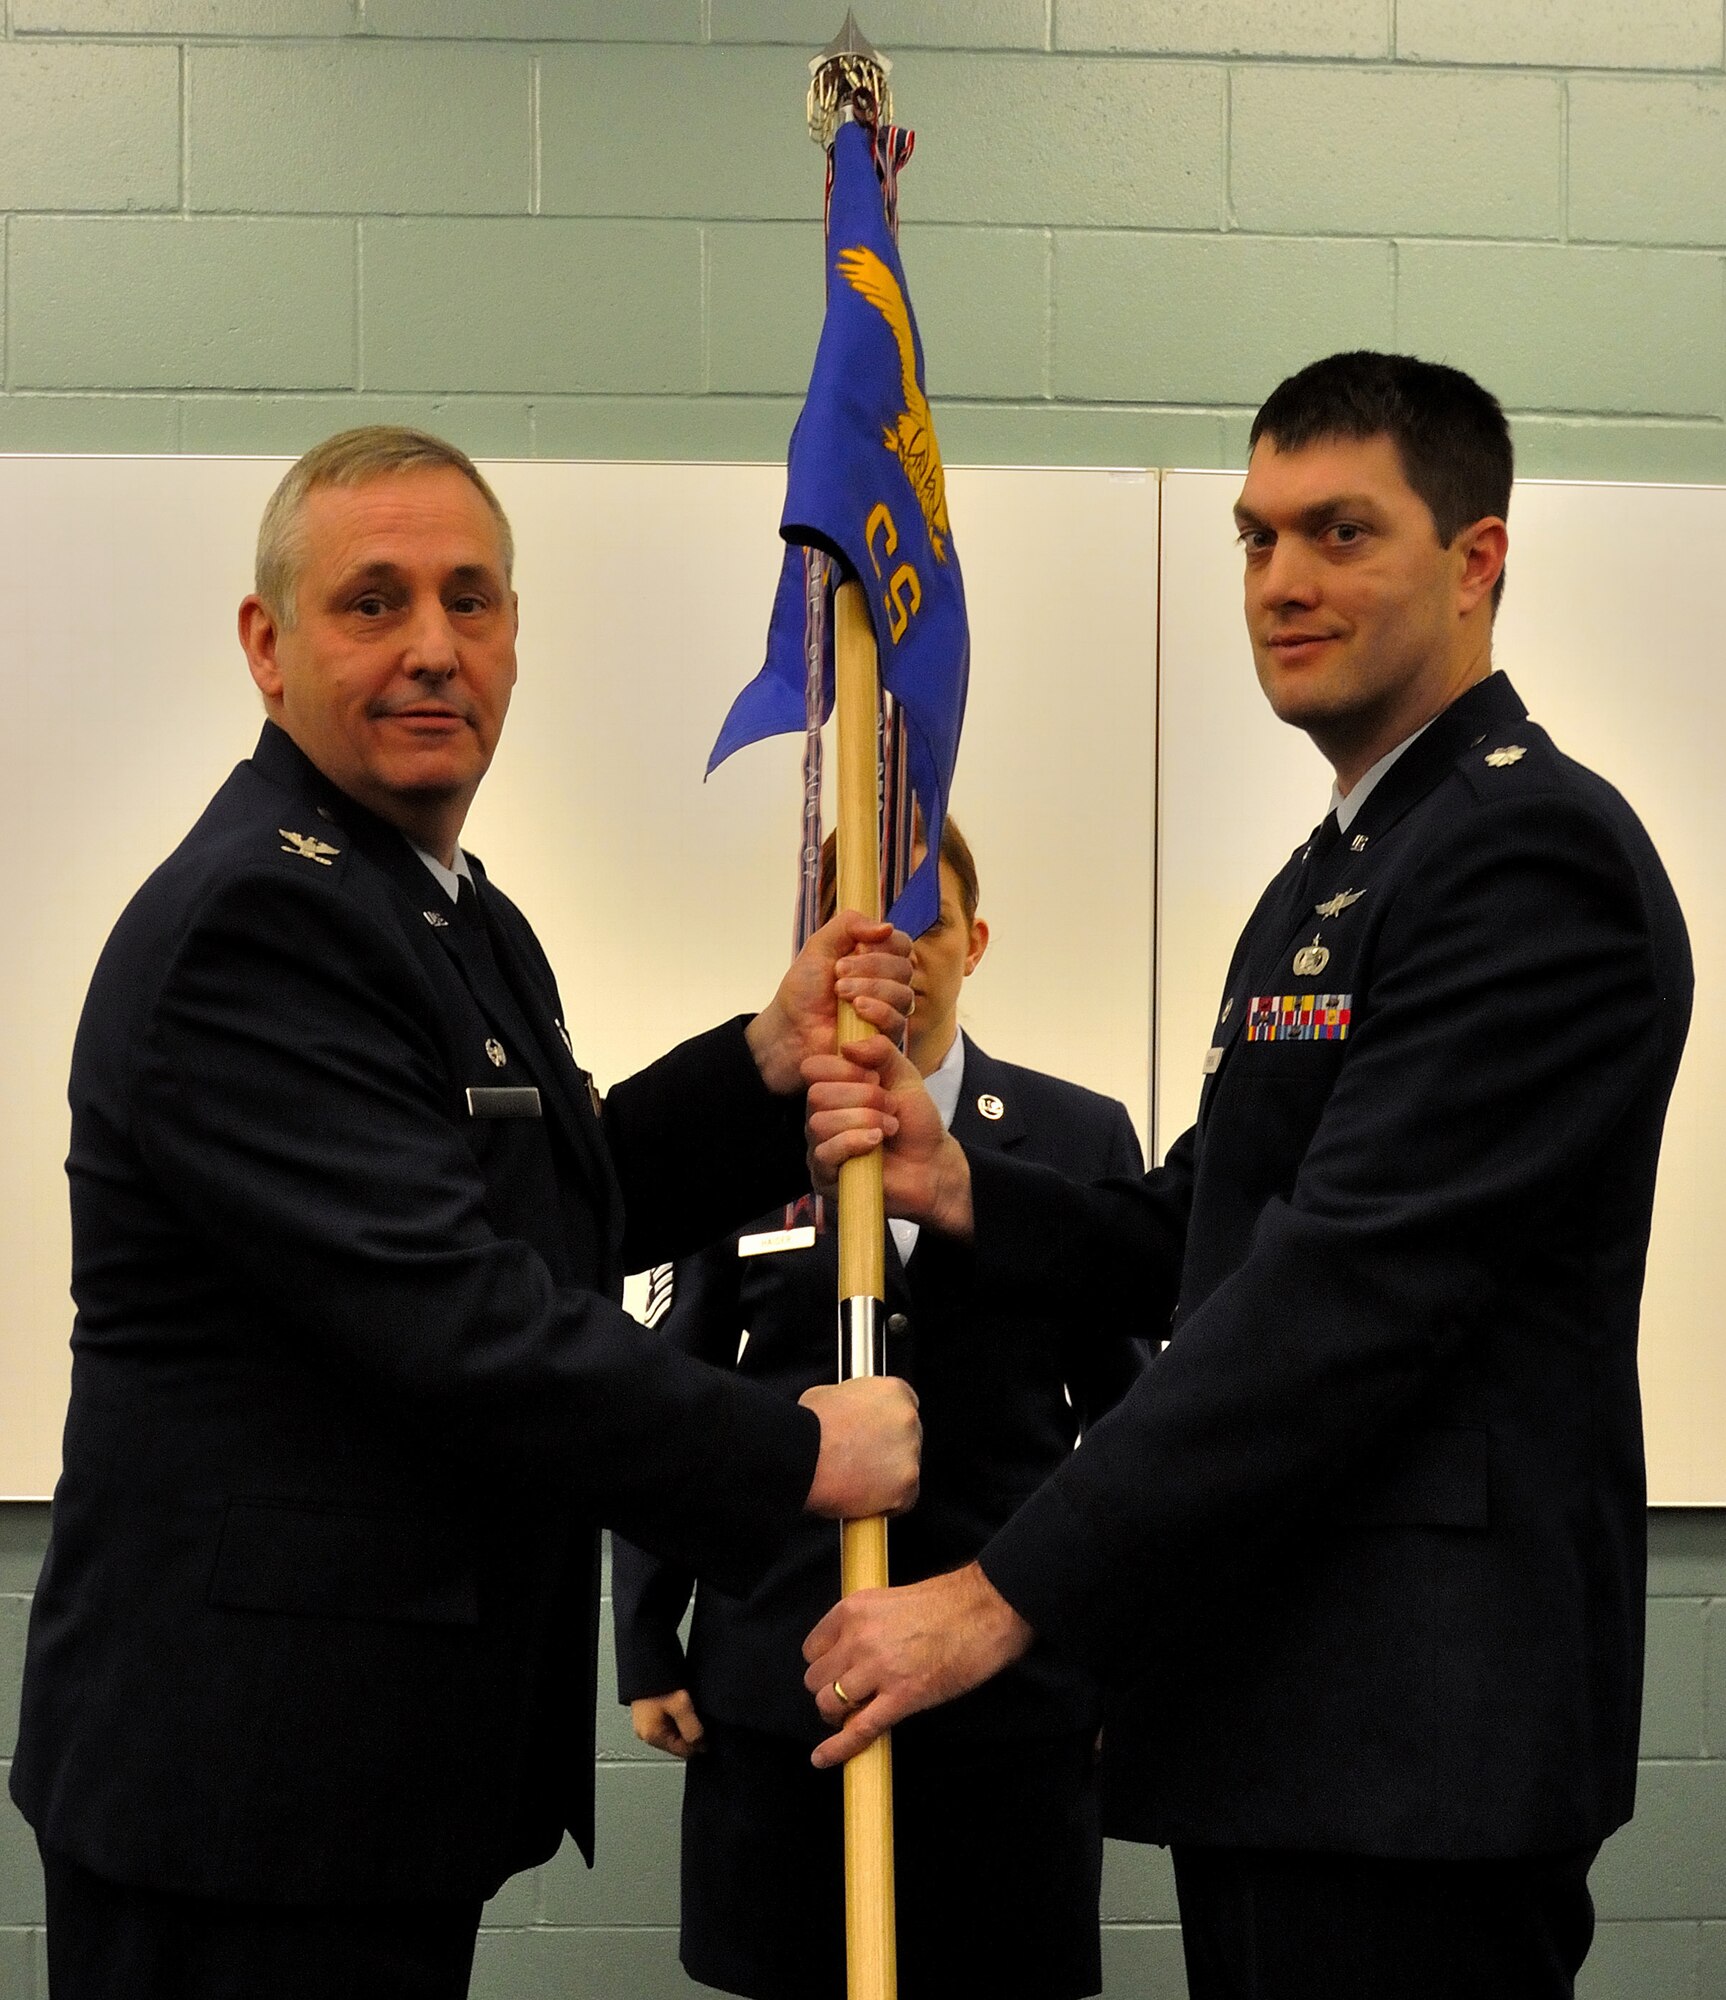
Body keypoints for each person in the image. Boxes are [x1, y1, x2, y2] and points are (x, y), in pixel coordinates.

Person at [800, 353, 1694, 2000]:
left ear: (1475, 559)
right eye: (1257, 536)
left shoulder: (1524, 857)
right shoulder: (1341, 867)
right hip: (1291, 1706)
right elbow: (1212, 1223)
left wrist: (1004, 1594)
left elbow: (1341, 1294)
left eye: (1341, 533)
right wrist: (961, 1189)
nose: (1283, 581)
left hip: (1412, 1738)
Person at [8, 426, 924, 2000]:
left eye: (472, 601)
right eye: (372, 602)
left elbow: (542, 1208)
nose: (433, 647)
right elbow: (456, 1316)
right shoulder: (262, 917)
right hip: (250, 1797)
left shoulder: (445, 907)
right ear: (266, 643)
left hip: (363, 1773)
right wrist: (800, 1454)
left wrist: (766, 1063)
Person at [612, 815, 1144, 2000]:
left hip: (1010, 1683)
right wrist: (648, 1635)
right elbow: (673, 1381)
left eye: (928, 922)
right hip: (780, 1677)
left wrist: (1114, 1651)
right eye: (863, 921)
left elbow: (1125, 1411)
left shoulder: (1076, 1134)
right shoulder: (751, 1134)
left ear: (978, 940)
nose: (896, 949)